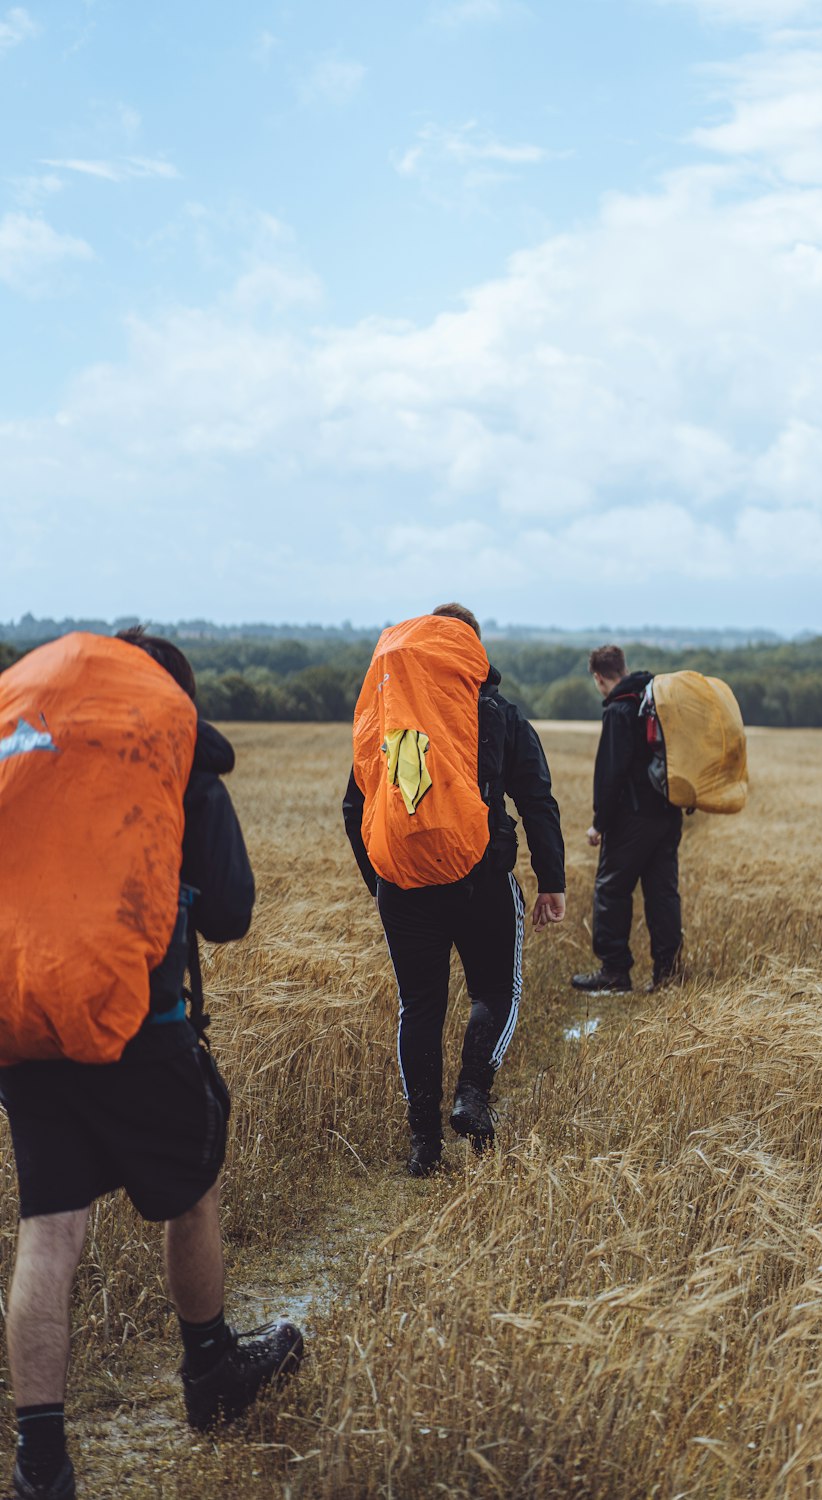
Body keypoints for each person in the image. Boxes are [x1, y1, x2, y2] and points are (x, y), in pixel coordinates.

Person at [0, 629, 303, 1500]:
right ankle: (211, 1371)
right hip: (138, 1022)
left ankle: (40, 1463)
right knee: (191, 1187)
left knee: (49, 1231)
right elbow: (233, 914)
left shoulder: (31, 737)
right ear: (176, 697)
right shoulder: (170, 747)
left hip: (25, 1022)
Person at [343, 603, 566, 1177]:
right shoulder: (498, 713)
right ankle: (471, 1095)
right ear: (472, 650)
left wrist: (383, 883)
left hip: (403, 889)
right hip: (482, 880)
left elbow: (355, 806)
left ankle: (424, 1147)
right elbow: (537, 800)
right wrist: (552, 881)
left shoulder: (390, 719)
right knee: (496, 991)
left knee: (419, 1007)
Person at [571, 644, 683, 996]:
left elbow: (611, 773)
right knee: (662, 893)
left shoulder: (619, 710)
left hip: (632, 819)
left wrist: (599, 823)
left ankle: (614, 971)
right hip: (668, 813)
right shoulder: (654, 702)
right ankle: (668, 974)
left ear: (598, 677)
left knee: (611, 889)